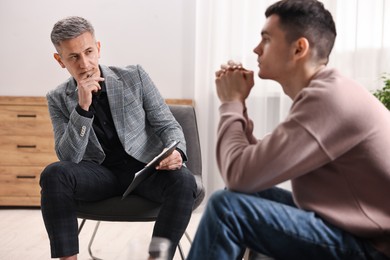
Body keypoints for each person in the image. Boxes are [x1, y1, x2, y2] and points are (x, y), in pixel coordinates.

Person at [187, 0, 390, 259]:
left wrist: (231, 103)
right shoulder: (327, 91)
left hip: (373, 247)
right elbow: (255, 168)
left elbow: (239, 172)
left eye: (267, 39)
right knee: (238, 194)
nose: (256, 49)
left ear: (298, 48)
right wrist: (240, 107)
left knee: (227, 209)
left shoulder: (328, 100)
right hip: (354, 230)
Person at [40, 16, 198, 260]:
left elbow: (168, 125)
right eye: (73, 57)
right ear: (60, 60)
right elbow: (69, 157)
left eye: (89, 51)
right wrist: (82, 108)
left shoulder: (134, 76)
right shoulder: (57, 98)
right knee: (54, 173)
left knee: (184, 181)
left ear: (99, 48)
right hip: (99, 175)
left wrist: (176, 153)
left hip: (145, 169)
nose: (84, 63)